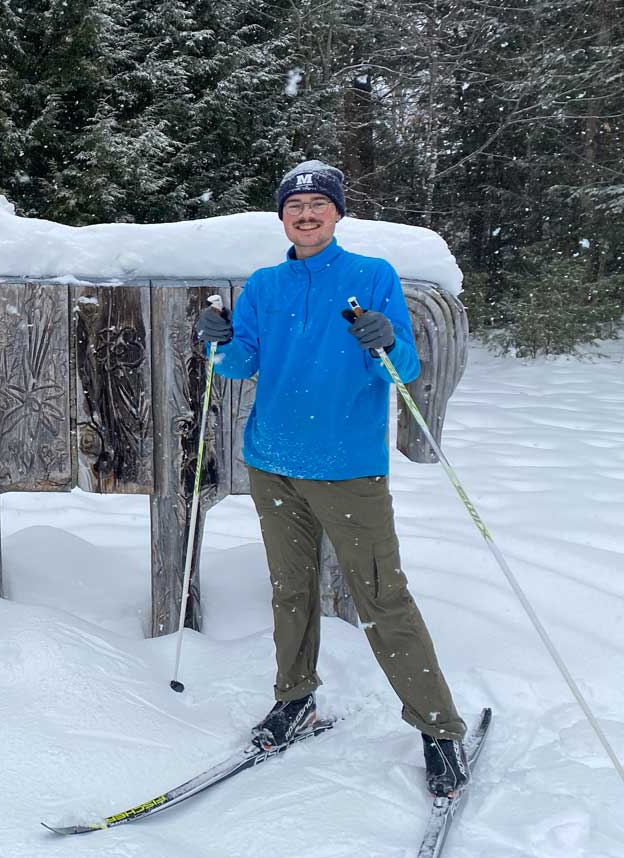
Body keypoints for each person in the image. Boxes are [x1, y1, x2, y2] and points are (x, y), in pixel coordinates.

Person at [195, 160, 470, 798]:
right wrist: (217, 339)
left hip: (347, 470)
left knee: (383, 601)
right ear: (282, 218)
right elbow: (239, 364)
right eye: (296, 205)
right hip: (272, 464)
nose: (308, 214)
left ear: (338, 213)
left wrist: (385, 339)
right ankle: (295, 699)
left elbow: (400, 367)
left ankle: (438, 730)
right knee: (290, 592)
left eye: (320, 203)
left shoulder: (370, 277)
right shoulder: (264, 284)